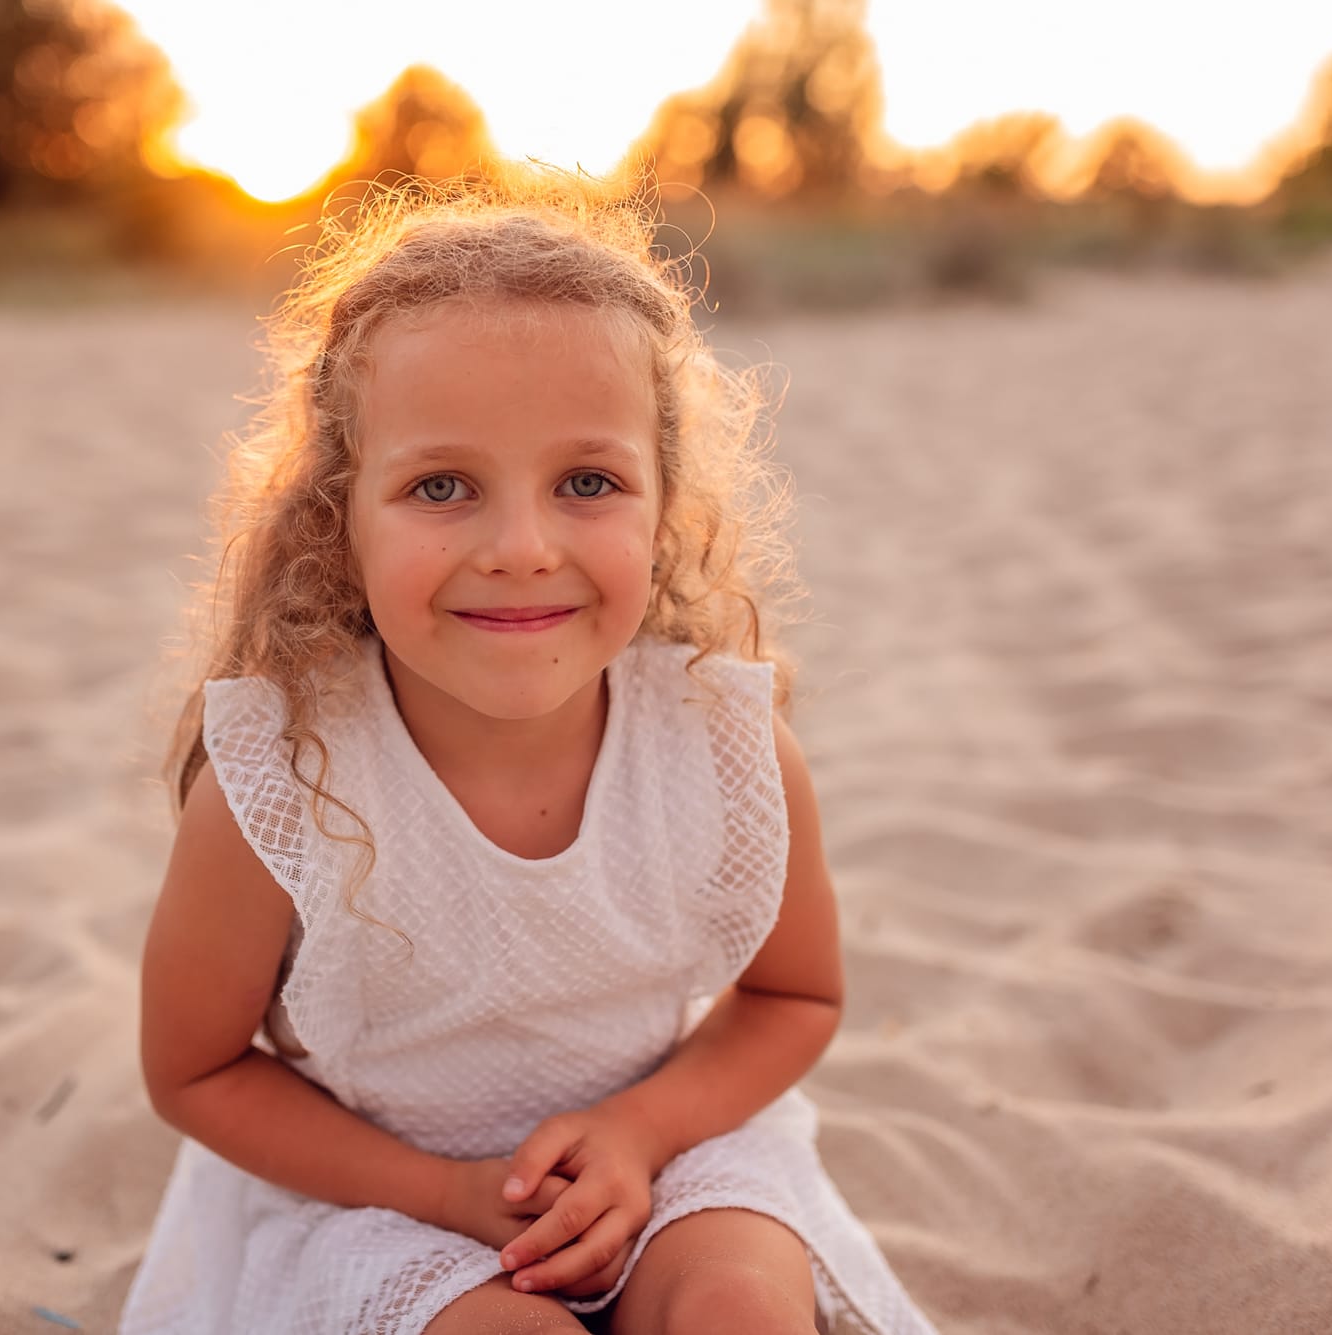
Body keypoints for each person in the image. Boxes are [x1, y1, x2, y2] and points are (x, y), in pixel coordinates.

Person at [120, 164, 937, 1335]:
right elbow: (194, 1072)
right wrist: (445, 1195)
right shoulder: (285, 778)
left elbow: (793, 995)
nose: (520, 546)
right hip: (374, 1194)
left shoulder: (718, 745)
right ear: (339, 521)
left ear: (662, 510)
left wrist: (639, 1132)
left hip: (660, 1154)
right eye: (441, 485)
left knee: (734, 1308)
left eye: (586, 482)